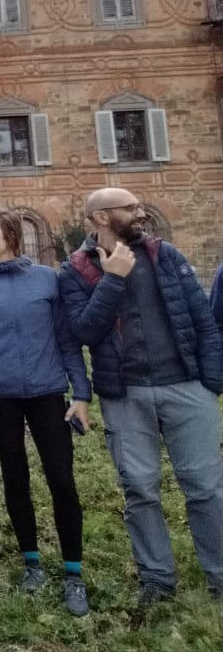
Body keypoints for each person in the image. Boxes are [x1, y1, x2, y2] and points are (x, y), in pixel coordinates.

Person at [59, 188, 223, 606]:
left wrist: (211, 383)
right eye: (130, 208)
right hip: (125, 395)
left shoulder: (164, 255)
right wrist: (113, 278)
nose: (140, 212)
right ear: (100, 218)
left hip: (186, 388)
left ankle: (220, 578)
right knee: (140, 489)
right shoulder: (75, 270)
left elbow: (203, 320)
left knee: (205, 487)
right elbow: (82, 331)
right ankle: (157, 581)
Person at [0, 206, 92, 617]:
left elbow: (67, 341)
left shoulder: (46, 279)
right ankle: (31, 562)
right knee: (16, 481)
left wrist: (80, 394)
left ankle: (73, 572)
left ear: (10, 234)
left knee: (62, 482)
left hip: (48, 392)